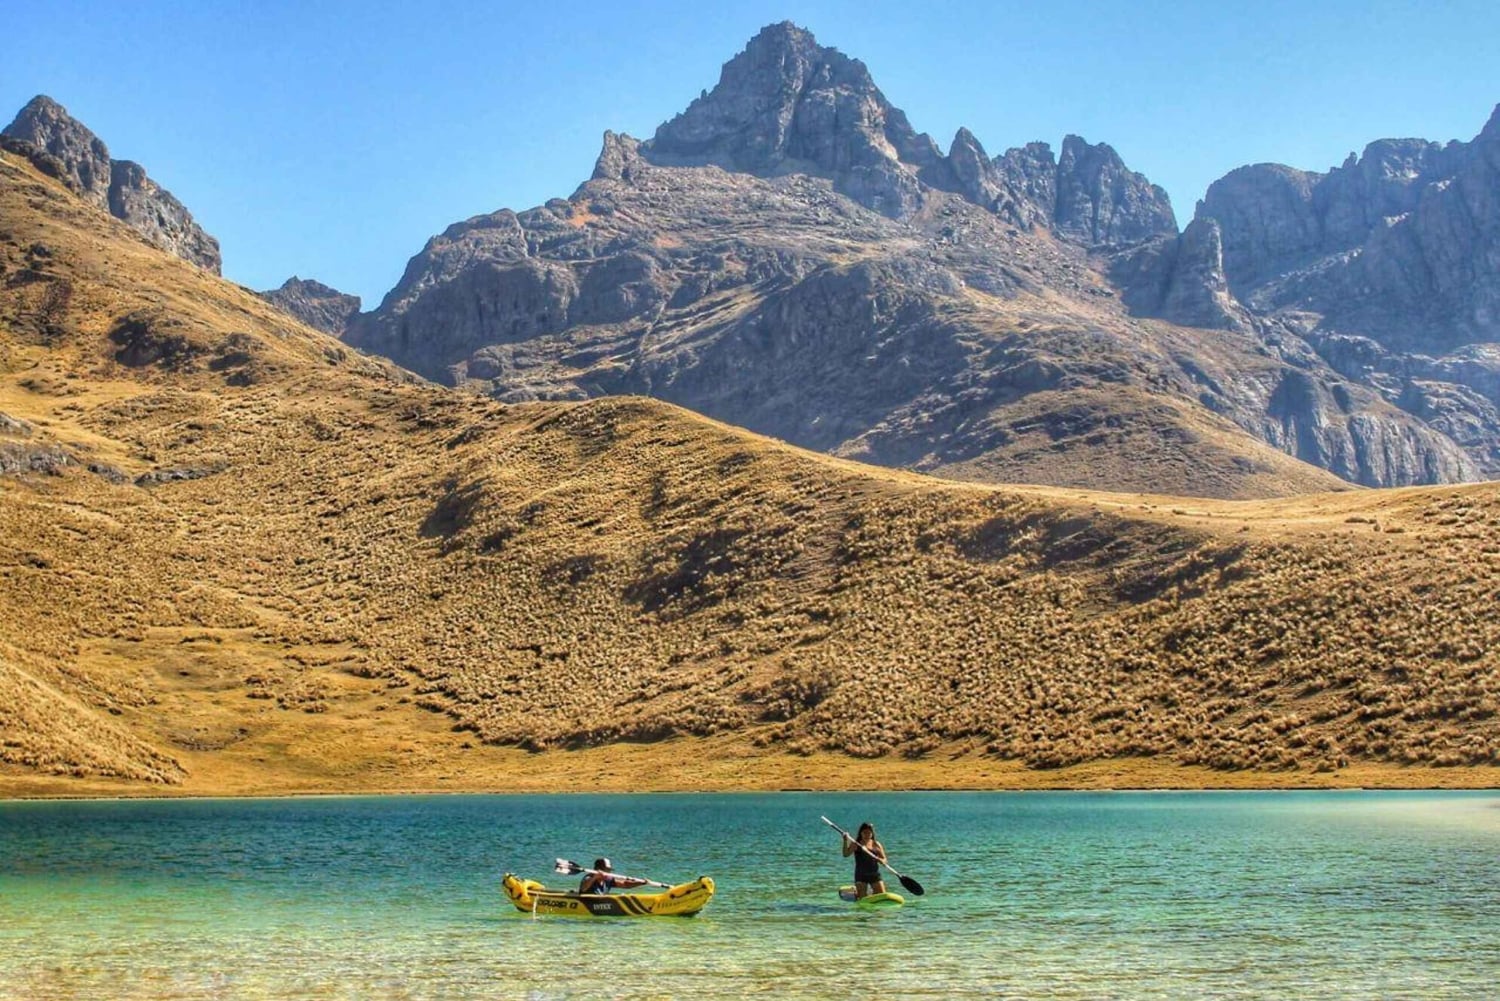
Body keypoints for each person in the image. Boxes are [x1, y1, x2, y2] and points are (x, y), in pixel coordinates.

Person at [841, 822, 887, 898]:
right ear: (861, 833)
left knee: (882, 895)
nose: (867, 835)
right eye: (864, 832)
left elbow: (885, 859)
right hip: (861, 874)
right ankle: (857, 893)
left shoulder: (876, 844)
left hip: (874, 874)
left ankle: (871, 895)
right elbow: (845, 854)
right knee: (862, 897)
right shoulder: (856, 844)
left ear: (872, 833)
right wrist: (845, 841)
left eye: (869, 833)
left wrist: (882, 861)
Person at [577, 858, 649, 895]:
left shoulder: (608, 879)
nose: (608, 872)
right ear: (598, 869)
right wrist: (595, 877)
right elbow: (583, 888)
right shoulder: (588, 878)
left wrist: (641, 883)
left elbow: (625, 884)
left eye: (609, 870)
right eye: (606, 870)